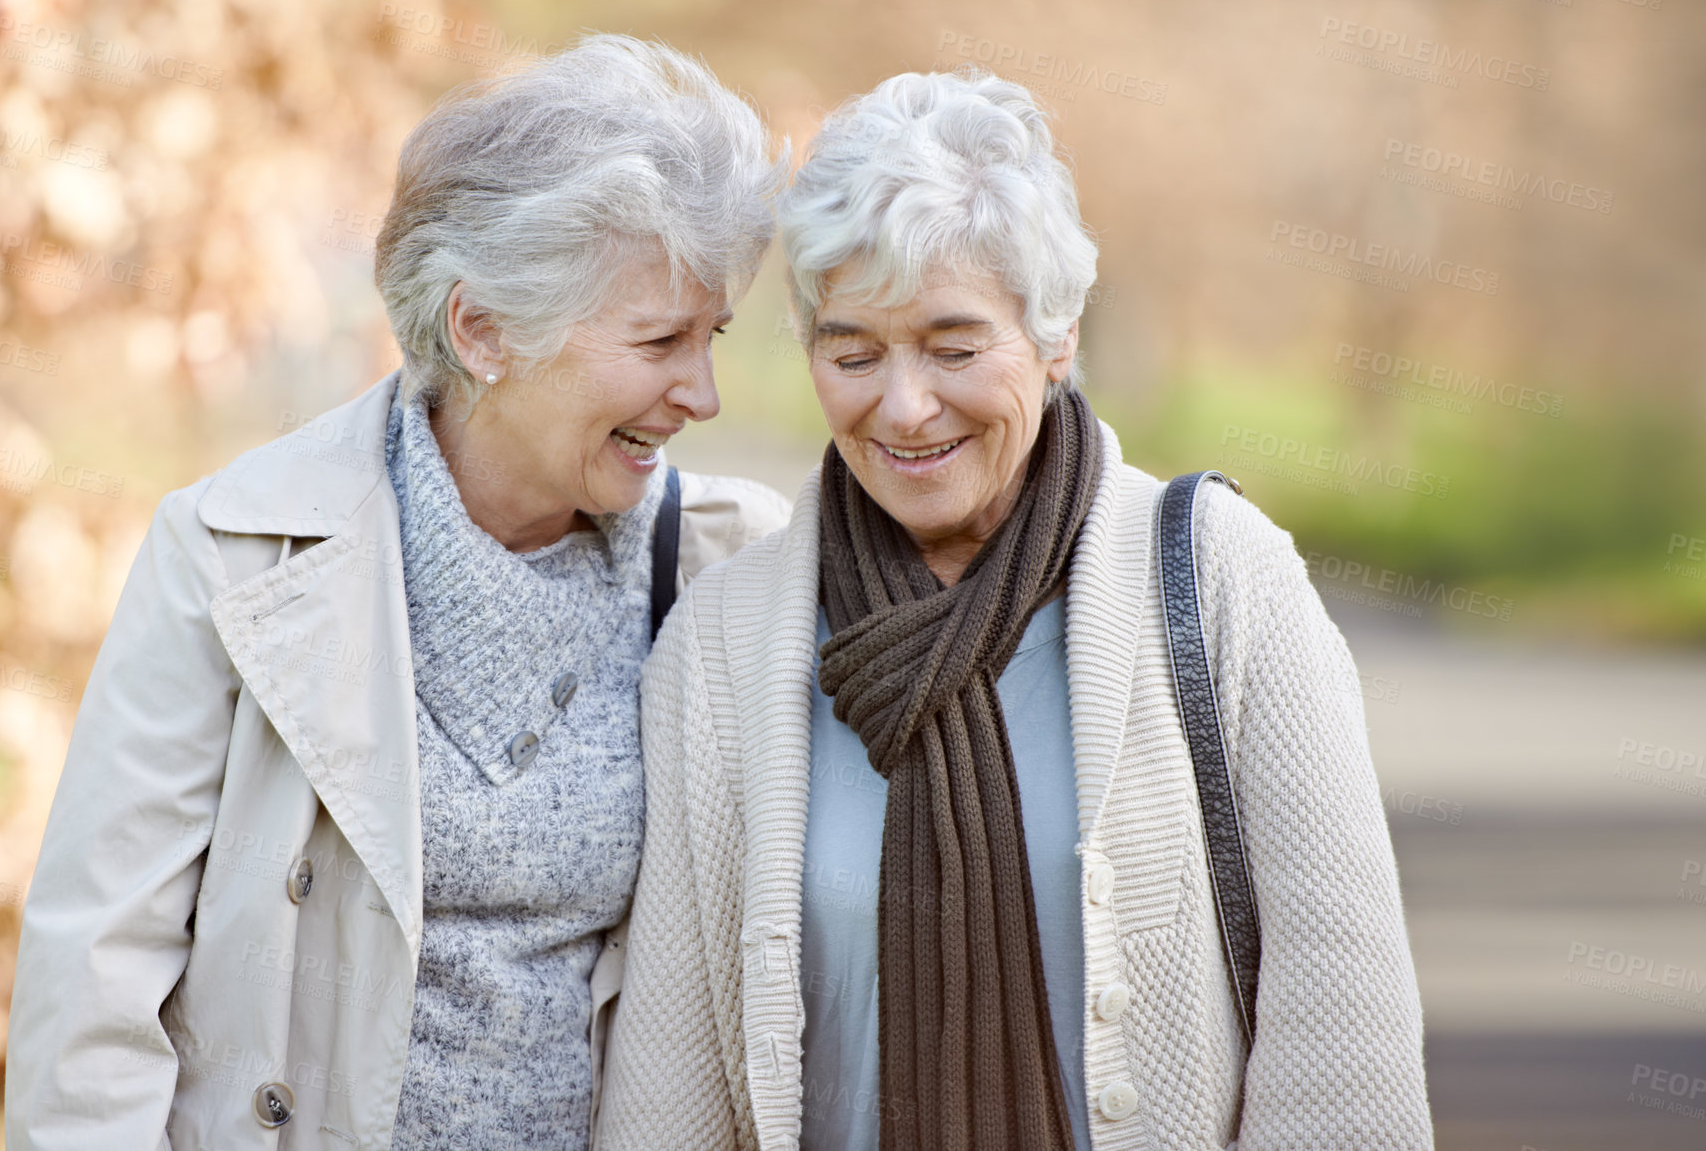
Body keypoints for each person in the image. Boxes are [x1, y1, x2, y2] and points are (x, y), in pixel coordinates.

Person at [596, 69, 1433, 1149]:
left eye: (953, 348)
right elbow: (671, 1088)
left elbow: (1343, 1045)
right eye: (852, 353)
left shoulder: (1223, 584)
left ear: (1055, 337)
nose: (903, 407)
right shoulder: (723, 644)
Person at [6, 34, 788, 1151]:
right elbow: (96, 993)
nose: (703, 393)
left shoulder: (727, 566)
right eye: (659, 340)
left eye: (710, 338)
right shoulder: (234, 552)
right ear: (481, 332)